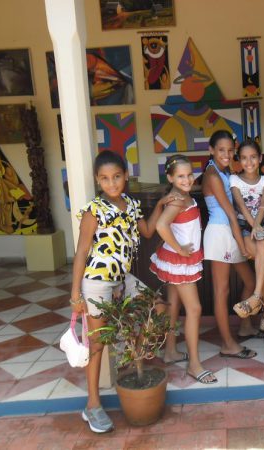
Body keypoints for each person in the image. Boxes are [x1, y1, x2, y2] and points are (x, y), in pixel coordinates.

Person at [70, 150, 172, 433]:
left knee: (158, 307)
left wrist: (162, 202)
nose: (111, 183)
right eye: (104, 179)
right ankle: (92, 406)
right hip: (97, 281)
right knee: (98, 344)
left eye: (116, 177)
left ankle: (134, 357)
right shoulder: (94, 210)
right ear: (97, 180)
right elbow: (81, 252)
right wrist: (75, 293)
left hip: (121, 278)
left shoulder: (131, 203)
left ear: (126, 176)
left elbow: (149, 231)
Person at [149, 155, 217, 384]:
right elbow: (160, 225)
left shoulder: (183, 196)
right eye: (180, 176)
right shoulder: (178, 200)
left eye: (189, 174)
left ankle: (170, 351)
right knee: (195, 309)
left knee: (174, 305)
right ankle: (195, 365)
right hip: (180, 262)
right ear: (170, 177)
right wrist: (180, 249)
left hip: (177, 259)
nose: (187, 179)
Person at [202, 130, 259, 359]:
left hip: (229, 233)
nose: (226, 154)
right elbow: (231, 214)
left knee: (251, 281)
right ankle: (227, 343)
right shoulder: (213, 175)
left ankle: (245, 327)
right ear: (211, 150)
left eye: (229, 150)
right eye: (221, 150)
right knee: (221, 291)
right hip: (221, 234)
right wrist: (243, 245)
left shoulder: (224, 172)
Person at [230, 139, 264, 333]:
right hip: (243, 228)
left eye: (253, 157)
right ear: (239, 160)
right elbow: (241, 206)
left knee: (262, 250)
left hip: (261, 225)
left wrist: (257, 226)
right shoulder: (234, 180)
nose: (249, 162)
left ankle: (256, 298)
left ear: (260, 158)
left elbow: (263, 205)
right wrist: (253, 226)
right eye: (243, 158)